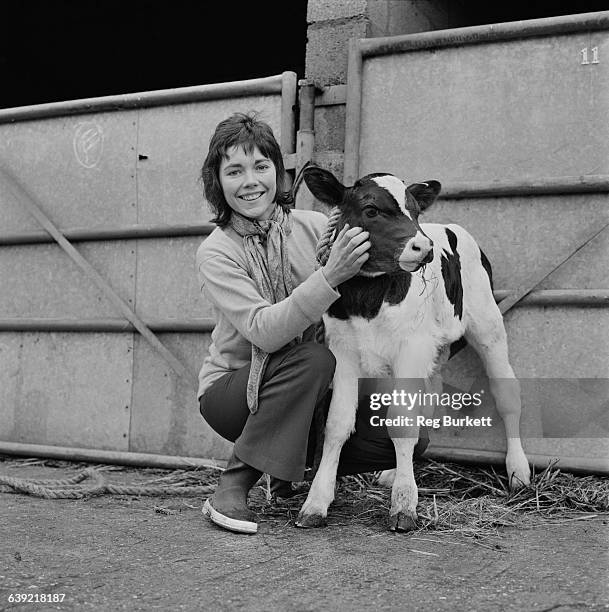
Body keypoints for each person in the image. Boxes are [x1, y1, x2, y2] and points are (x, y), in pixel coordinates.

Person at [196, 112, 421, 535]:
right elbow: (265, 331)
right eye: (234, 171)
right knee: (316, 358)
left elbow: (384, 244)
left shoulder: (316, 227)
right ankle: (233, 484)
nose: (251, 182)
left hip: (312, 392)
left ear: (278, 174)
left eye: (261, 167)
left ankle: (293, 472)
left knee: (410, 436)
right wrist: (330, 275)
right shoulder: (217, 252)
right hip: (236, 393)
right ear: (217, 181)